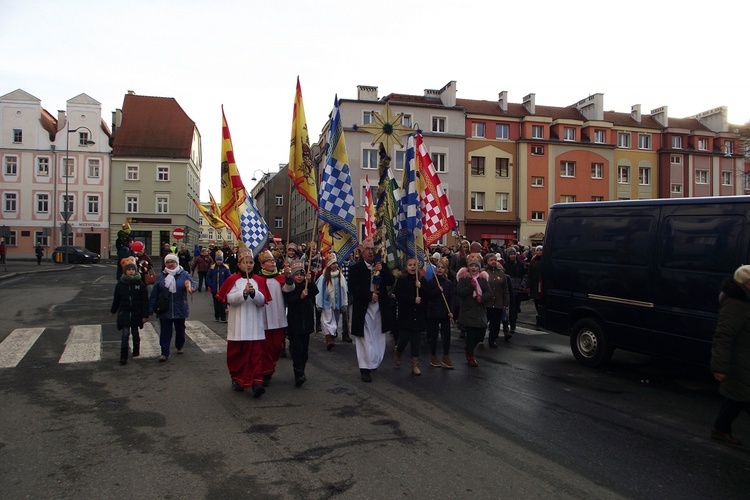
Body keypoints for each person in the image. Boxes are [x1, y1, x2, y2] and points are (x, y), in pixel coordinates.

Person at [216, 248, 267, 397]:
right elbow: (230, 299)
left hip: (255, 325)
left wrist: (254, 293)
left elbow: (262, 300)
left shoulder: (258, 281)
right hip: (238, 324)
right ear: (239, 264)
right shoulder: (233, 280)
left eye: (251, 262)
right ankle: (238, 379)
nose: (249, 265)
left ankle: (257, 382)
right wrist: (243, 293)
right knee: (237, 355)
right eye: (245, 262)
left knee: (256, 355)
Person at [710, 265, 750, 445]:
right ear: (746, 283)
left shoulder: (746, 299)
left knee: (736, 398)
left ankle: (720, 429)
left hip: (745, 357)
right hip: (739, 359)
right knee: (737, 397)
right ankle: (720, 429)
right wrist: (719, 366)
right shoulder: (735, 302)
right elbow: (724, 335)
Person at [348, 238, 395, 382]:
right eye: (367, 249)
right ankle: (365, 367)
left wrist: (382, 271)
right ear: (362, 252)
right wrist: (369, 295)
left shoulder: (381, 265)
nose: (370, 252)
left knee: (378, 337)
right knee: (364, 338)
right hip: (364, 308)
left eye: (372, 249)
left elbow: (391, 281)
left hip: (380, 308)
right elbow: (353, 288)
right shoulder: (356, 269)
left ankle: (374, 361)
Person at [149, 253, 196, 362]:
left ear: (177, 263)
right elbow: (154, 293)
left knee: (180, 329)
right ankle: (164, 352)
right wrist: (150, 308)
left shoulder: (184, 274)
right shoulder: (161, 276)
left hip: (180, 307)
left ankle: (179, 346)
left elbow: (193, 284)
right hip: (165, 308)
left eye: (172, 262)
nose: (170, 264)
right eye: (168, 262)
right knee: (165, 331)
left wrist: (191, 287)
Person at [254, 249, 288, 387]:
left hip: (279, 318)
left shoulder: (280, 278)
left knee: (277, 347)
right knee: (265, 348)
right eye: (269, 261)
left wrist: (289, 277)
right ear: (262, 265)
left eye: (273, 260)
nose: (273, 262)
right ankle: (265, 373)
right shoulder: (258, 280)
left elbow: (289, 289)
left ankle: (270, 368)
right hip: (264, 319)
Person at [283, 260, 319, 387]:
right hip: (294, 324)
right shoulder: (290, 287)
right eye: (297, 275)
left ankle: (302, 369)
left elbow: (315, 292)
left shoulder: (307, 285)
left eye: (301, 275)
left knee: (304, 350)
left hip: (307, 323)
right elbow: (289, 301)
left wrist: (311, 281)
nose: (299, 277)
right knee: (297, 349)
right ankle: (298, 372)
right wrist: (300, 297)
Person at [456, 253, 492, 367]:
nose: (474, 268)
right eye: (471, 266)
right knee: (471, 335)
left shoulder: (482, 279)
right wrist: (471, 286)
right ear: (468, 267)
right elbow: (460, 293)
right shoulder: (464, 279)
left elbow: (489, 292)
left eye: (476, 266)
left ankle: (469, 348)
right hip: (468, 311)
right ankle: (470, 354)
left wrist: (482, 298)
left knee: (480, 335)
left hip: (480, 311)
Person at [393, 257, 427, 376]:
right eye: (410, 265)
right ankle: (398, 351)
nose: (413, 267)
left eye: (415, 265)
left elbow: (427, 295)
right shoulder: (402, 280)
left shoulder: (421, 280)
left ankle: (415, 365)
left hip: (417, 315)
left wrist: (420, 287)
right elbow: (399, 294)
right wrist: (413, 299)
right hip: (406, 315)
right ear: (406, 268)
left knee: (416, 341)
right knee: (404, 338)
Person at [110, 263, 149, 365]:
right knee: (125, 334)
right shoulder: (120, 284)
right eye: (129, 269)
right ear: (125, 271)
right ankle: (123, 356)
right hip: (125, 312)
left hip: (136, 313)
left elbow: (145, 301)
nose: (131, 271)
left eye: (133, 269)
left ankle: (136, 349)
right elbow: (117, 299)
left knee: (135, 334)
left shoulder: (140, 284)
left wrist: (145, 315)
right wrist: (113, 310)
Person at [424, 257, 456, 368]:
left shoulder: (449, 283)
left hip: (444, 313)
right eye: (438, 267)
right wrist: (437, 290)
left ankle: (446, 356)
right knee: (434, 335)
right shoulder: (431, 282)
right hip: (433, 312)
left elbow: (451, 298)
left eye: (442, 268)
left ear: (446, 270)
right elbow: (428, 296)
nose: (440, 269)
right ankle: (433, 356)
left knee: (447, 335)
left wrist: (451, 311)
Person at [315, 253, 349, 351]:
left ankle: (332, 335)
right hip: (326, 303)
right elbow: (319, 291)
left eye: (336, 263)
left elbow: (344, 290)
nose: (335, 265)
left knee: (335, 320)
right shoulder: (324, 277)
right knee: (327, 320)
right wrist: (319, 303)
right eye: (333, 263)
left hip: (337, 302)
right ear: (329, 265)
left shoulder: (340, 276)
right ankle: (329, 338)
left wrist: (344, 303)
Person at [484, 252, 511, 347]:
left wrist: (506, 301)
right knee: (484, 322)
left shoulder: (501, 273)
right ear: (487, 261)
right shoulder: (484, 272)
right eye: (491, 260)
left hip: (498, 302)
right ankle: (480, 336)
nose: (493, 262)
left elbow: (505, 288)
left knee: (495, 324)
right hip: (486, 303)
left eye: (495, 260)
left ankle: (492, 340)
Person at [503, 247, 527, 335]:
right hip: (510, 289)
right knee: (510, 308)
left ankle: (513, 324)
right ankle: (509, 324)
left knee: (516, 308)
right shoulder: (506, 265)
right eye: (511, 254)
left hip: (518, 289)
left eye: (514, 254)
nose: (513, 256)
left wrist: (523, 284)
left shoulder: (520, 265)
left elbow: (525, 275)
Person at [206, 251, 232, 322]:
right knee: (216, 303)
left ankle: (223, 317)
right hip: (214, 288)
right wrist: (210, 284)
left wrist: (226, 285)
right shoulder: (212, 267)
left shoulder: (225, 268)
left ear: (222, 260)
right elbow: (208, 277)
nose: (219, 261)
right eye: (217, 260)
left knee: (222, 303)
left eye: (220, 260)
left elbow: (229, 277)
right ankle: (217, 316)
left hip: (222, 289)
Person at [527, 245, 543, 313]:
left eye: (540, 250)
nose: (539, 252)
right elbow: (529, 273)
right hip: (534, 283)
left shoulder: (545, 260)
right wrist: (528, 285)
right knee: (536, 300)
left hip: (543, 283)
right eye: (538, 250)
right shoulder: (533, 261)